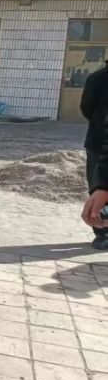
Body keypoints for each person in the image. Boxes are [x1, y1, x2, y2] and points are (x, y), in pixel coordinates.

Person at [80, 60, 108, 248]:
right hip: (99, 145)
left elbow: (86, 109)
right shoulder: (98, 79)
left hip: (98, 143)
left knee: (98, 188)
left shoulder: (96, 78)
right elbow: (87, 108)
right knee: (99, 189)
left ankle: (103, 234)